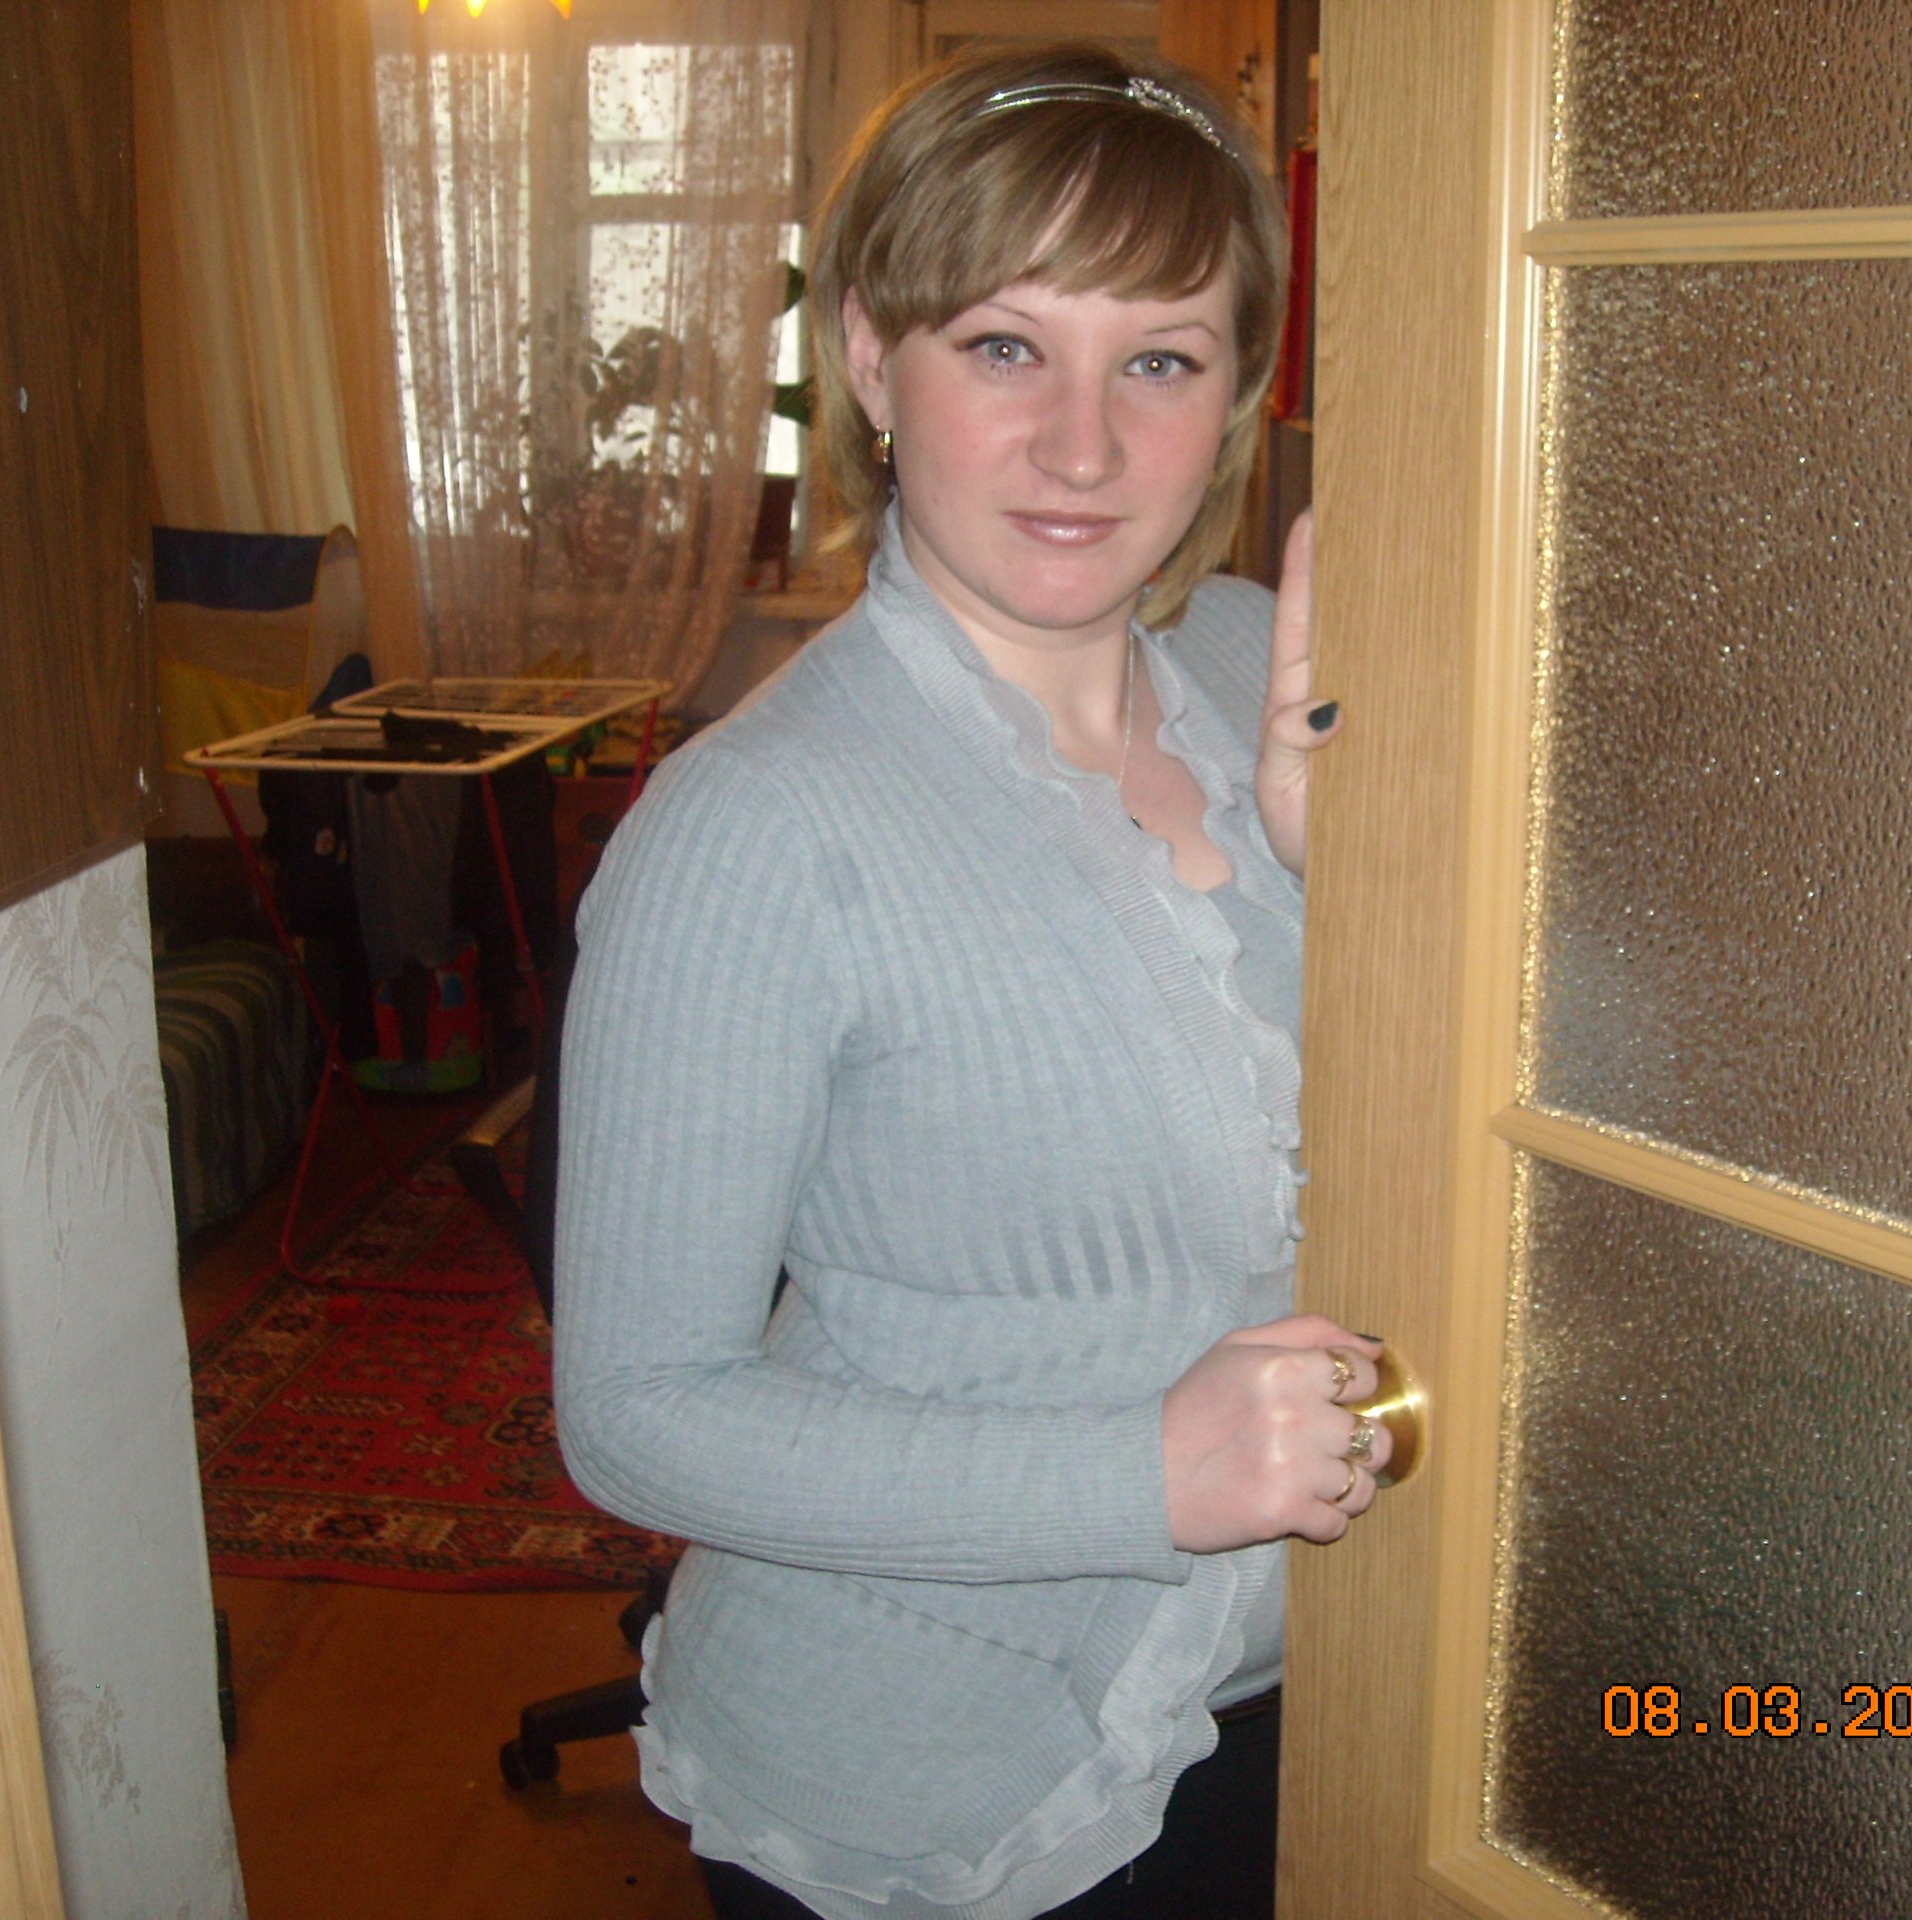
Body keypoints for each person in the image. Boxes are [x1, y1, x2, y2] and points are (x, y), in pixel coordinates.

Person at [552, 39, 1385, 1920]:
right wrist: (1137, 1474)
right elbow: (638, 1410)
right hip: (933, 1782)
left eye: (1158, 360)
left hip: (1304, 1703)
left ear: (1240, 392)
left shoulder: (1269, 664)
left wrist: (1352, 882)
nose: (1084, 448)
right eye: (1007, 346)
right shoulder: (754, 829)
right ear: (870, 357)